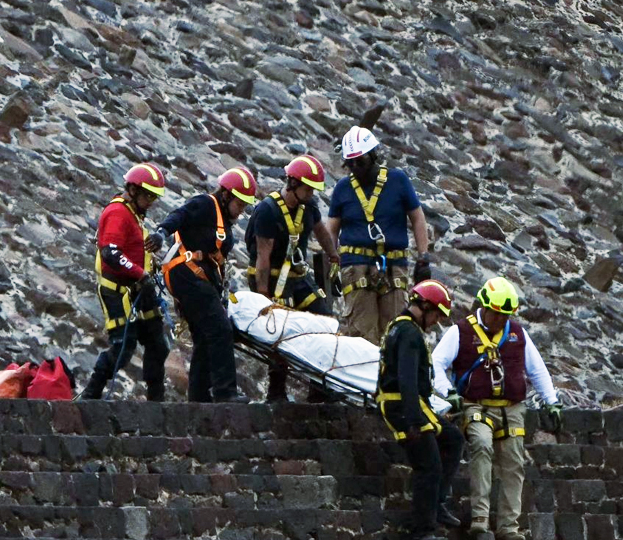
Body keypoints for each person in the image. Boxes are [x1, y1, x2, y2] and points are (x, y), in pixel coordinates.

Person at [432, 277, 562, 540]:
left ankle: (508, 526)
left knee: (514, 463)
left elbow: (537, 370)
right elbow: (437, 361)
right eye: (498, 314)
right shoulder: (460, 331)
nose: (501, 320)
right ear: (485, 307)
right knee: (481, 446)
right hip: (476, 405)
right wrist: (448, 392)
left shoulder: (517, 334)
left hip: (512, 408)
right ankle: (480, 518)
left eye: (506, 315)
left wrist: (551, 400)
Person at [245, 154, 340, 401]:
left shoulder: (308, 208)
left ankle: (319, 389)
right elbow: (263, 257)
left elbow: (321, 232)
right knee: (281, 332)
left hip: (297, 278)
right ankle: (276, 392)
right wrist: (264, 296)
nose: (311, 194)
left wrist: (334, 256)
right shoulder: (267, 211)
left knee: (325, 321)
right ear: (293, 184)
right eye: (308, 189)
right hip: (271, 278)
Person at [157, 167, 257, 403]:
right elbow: (178, 216)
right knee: (222, 329)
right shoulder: (205, 204)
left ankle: (199, 397)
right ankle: (225, 392)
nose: (241, 210)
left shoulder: (224, 219)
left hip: (200, 280)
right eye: (239, 204)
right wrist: (162, 232)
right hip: (187, 276)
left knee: (204, 336)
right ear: (226, 195)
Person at [326, 126, 432, 343]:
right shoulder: (343, 188)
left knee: (394, 332)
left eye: (360, 162)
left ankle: (389, 375)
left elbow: (418, 218)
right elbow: (331, 231)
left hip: (393, 267)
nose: (356, 168)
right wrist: (330, 266)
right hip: (355, 268)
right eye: (351, 163)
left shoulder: (398, 181)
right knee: (361, 334)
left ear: (373, 156)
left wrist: (423, 257)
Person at [376, 279, 463, 540]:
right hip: (405, 405)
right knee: (429, 466)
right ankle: (422, 529)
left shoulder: (400, 328)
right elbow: (407, 379)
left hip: (409, 404)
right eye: (436, 314)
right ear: (424, 306)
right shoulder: (410, 334)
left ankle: (436, 503)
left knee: (453, 439)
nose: (436, 321)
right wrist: (414, 421)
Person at [82, 163, 170, 402]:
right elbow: (111, 252)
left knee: (157, 344)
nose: (151, 201)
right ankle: (90, 395)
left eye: (154, 196)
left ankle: (156, 401)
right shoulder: (117, 213)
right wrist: (139, 273)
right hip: (118, 292)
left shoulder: (134, 214)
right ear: (132, 189)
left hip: (140, 291)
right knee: (123, 346)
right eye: (148, 195)